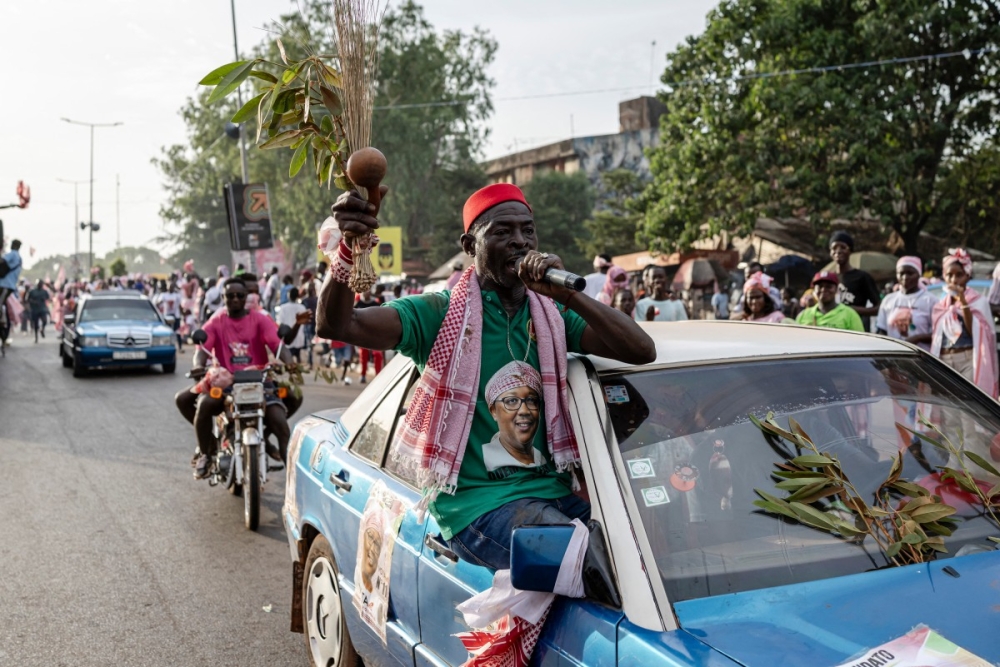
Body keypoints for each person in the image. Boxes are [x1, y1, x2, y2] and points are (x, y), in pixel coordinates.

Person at [317, 182, 655, 570]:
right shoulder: (437, 314)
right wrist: (349, 245)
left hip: (552, 495)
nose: (520, 242)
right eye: (502, 232)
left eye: (528, 230)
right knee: (593, 563)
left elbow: (641, 351)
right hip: (479, 508)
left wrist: (568, 296)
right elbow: (338, 325)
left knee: (643, 556)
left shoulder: (553, 315)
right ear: (468, 245)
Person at [175, 277, 296, 478]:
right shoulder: (216, 321)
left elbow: (278, 346)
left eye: (240, 295)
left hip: (259, 382)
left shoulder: (260, 319)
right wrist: (198, 366)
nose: (235, 299)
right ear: (223, 298)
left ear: (246, 297)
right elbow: (202, 349)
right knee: (201, 405)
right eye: (230, 296)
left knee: (281, 420)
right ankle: (206, 451)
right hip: (226, 384)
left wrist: (290, 363)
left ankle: (293, 478)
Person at [931, 248, 998, 398]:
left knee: (968, 408)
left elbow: (974, 331)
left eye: (959, 275)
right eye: (949, 275)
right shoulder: (940, 305)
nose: (954, 280)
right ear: (944, 277)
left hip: (967, 360)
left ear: (968, 276)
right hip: (944, 360)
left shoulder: (978, 302)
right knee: (948, 411)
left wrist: (963, 302)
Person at [876, 256, 937, 351]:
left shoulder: (930, 300)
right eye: (901, 273)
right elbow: (881, 330)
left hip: (922, 357)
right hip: (895, 356)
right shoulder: (889, 300)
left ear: (919, 274)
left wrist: (917, 338)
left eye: (910, 273)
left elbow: (938, 334)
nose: (905, 277)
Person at [829, 230, 881, 331]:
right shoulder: (829, 278)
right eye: (834, 248)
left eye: (843, 247)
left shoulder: (862, 277)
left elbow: (879, 308)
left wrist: (854, 310)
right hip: (835, 330)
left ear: (850, 250)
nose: (838, 251)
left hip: (857, 330)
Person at [796, 271, 865, 331]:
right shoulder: (803, 316)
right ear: (814, 290)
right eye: (820, 286)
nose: (823, 290)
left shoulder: (850, 315)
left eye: (828, 286)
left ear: (837, 290)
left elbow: (860, 342)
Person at [355, 289, 384, 383]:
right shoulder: (358, 304)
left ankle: (378, 376)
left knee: (377, 354)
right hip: (362, 334)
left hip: (375, 334)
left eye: (368, 290)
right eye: (364, 291)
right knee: (363, 355)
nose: (366, 292)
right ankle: (363, 375)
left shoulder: (376, 304)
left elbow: (381, 317)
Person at [277, 287, 308, 364]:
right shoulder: (302, 307)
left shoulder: (283, 308)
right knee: (297, 356)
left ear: (289, 295)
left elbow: (280, 322)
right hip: (299, 337)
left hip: (287, 337)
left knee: (288, 358)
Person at [0, 239, 24, 336]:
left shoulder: (13, 254)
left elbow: (2, 260)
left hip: (5, 284)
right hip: (9, 285)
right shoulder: (19, 257)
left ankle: (3, 321)